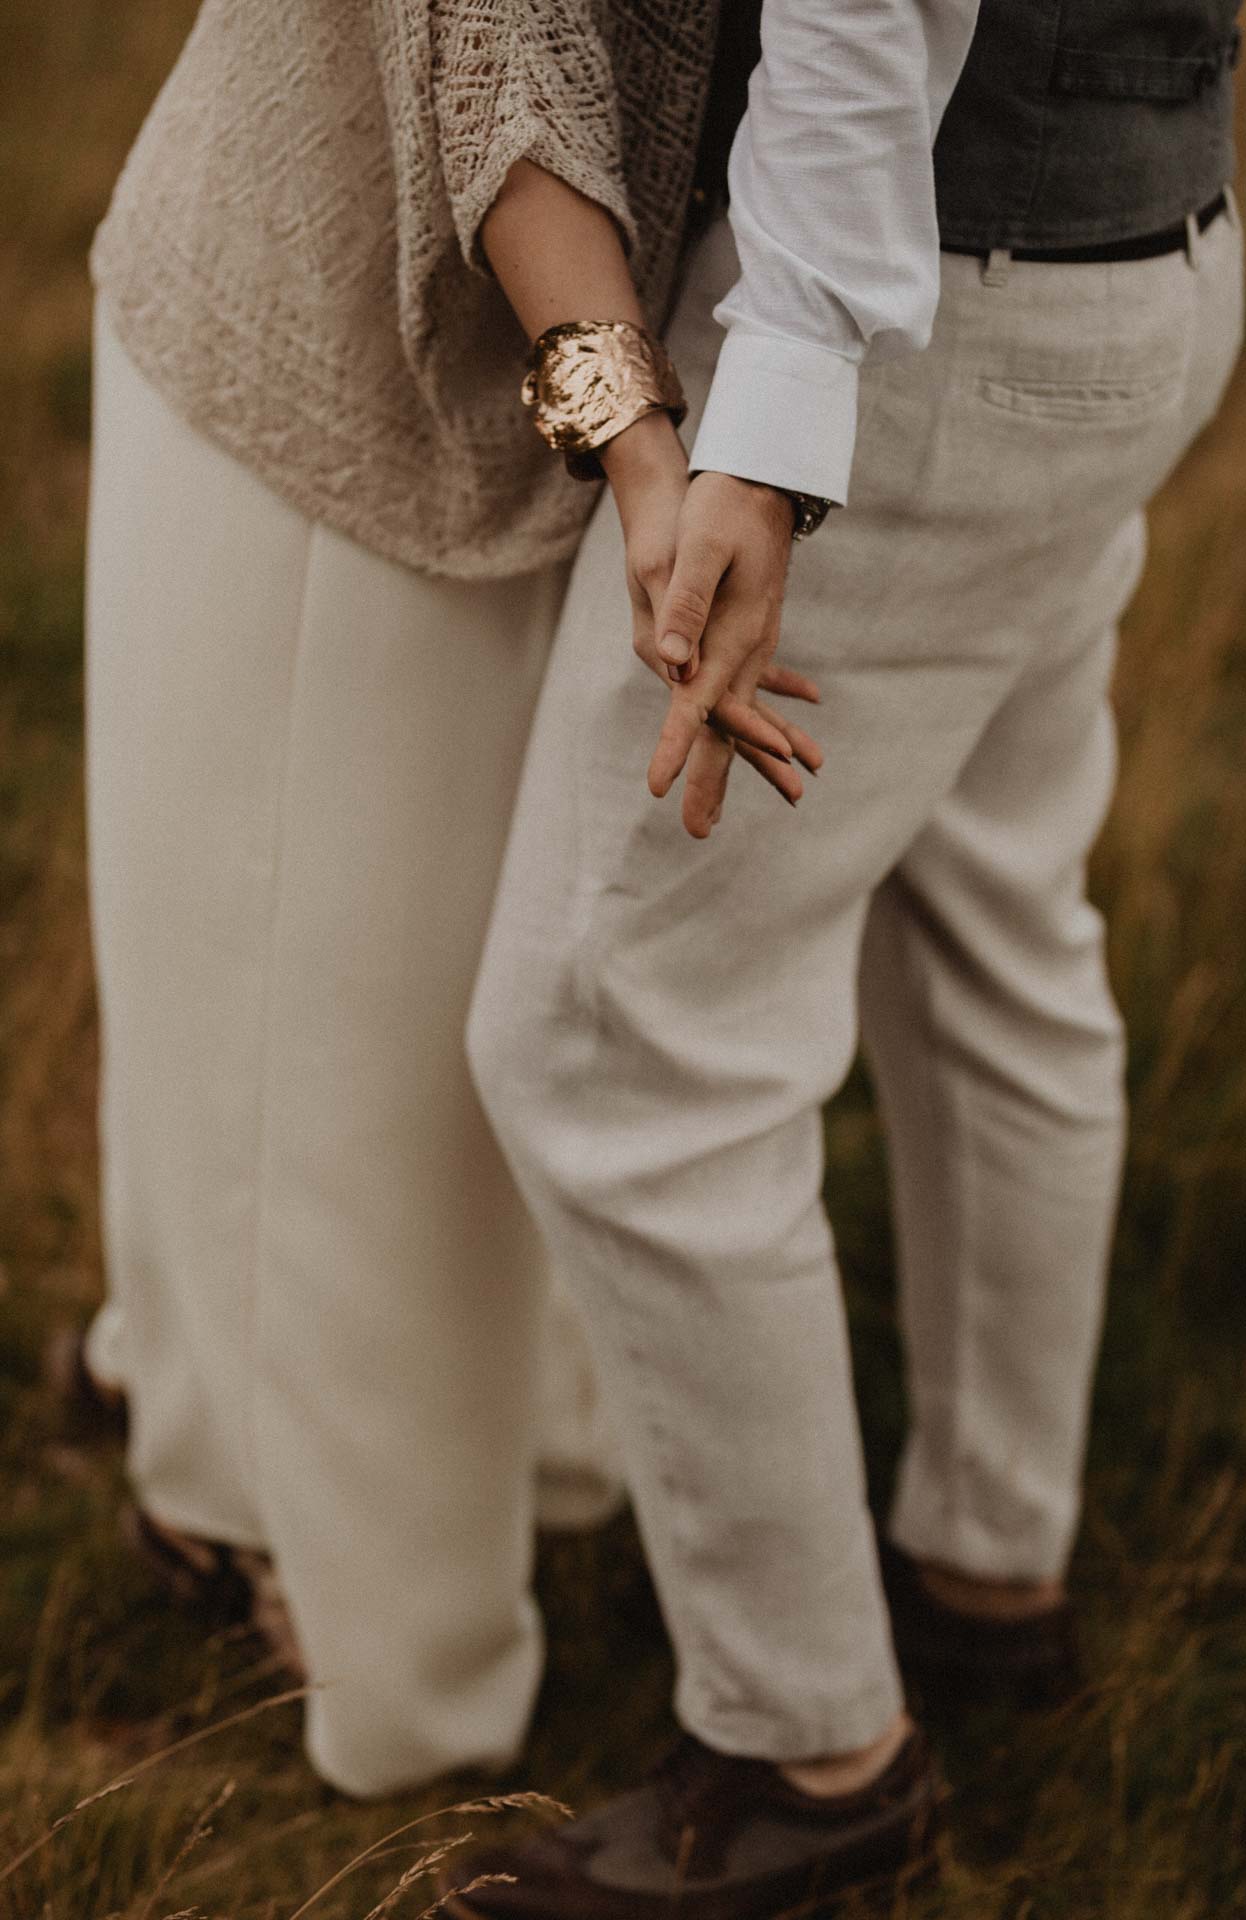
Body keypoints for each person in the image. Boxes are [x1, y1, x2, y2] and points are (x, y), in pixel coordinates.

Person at [455, 0, 1246, 1909]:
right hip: (1148, 260)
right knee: (997, 922)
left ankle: (813, 1751)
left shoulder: (833, 353)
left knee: (619, 1042)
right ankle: (990, 1575)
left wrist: (774, 414)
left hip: (915, 321)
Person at [79, 0, 818, 1797]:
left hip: (568, 366)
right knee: (310, 1064)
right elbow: (506, 50)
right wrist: (640, 445)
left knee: (403, 1038)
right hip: (332, 343)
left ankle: (434, 1524)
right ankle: (393, 1662)